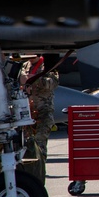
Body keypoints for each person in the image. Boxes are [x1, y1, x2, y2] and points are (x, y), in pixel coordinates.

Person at [22, 56, 59, 185]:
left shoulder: (48, 67)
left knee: (39, 145)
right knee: (26, 146)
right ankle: (29, 173)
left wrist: (34, 78)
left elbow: (51, 84)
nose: (29, 59)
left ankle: (39, 177)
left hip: (43, 114)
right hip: (28, 113)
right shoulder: (24, 66)